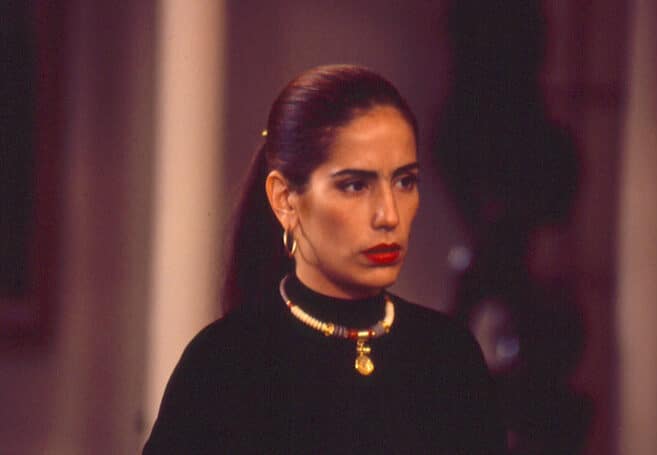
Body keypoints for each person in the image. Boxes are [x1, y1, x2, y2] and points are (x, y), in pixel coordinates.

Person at [143, 64, 505, 454]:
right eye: (355, 185)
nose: (389, 215)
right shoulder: (223, 364)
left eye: (405, 182)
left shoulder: (449, 356)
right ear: (285, 200)